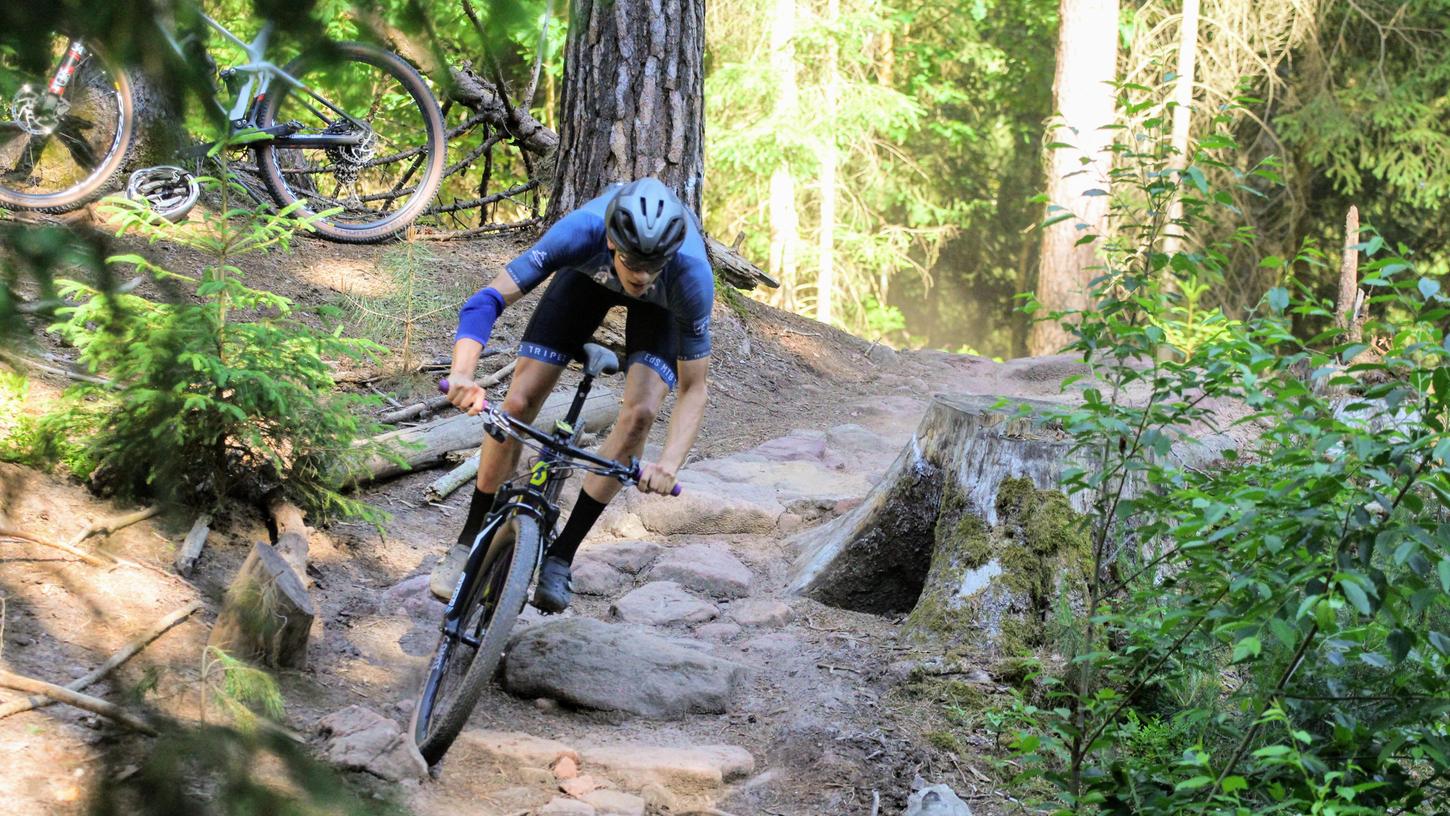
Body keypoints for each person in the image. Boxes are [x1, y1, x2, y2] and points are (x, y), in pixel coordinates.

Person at [430, 177, 713, 611]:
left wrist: (669, 464)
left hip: (661, 313)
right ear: (613, 242)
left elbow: (694, 387)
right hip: (584, 280)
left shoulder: (690, 276)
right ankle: (470, 538)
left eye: (652, 266)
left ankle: (561, 557)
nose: (640, 276)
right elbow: (485, 301)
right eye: (633, 262)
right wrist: (463, 374)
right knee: (519, 403)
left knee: (640, 414)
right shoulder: (580, 233)